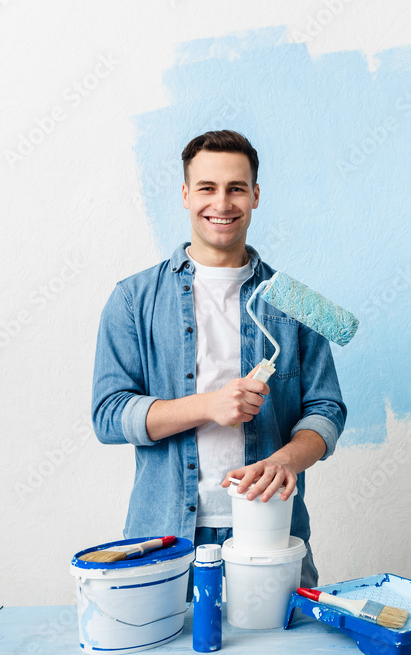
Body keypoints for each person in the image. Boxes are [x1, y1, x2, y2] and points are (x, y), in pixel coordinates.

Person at [92, 130, 345, 587]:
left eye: (236, 188)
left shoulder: (295, 302)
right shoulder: (133, 299)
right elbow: (109, 417)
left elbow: (326, 410)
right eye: (207, 188)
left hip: (273, 533)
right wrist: (209, 405)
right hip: (164, 539)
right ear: (186, 195)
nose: (222, 203)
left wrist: (286, 460)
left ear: (255, 196)